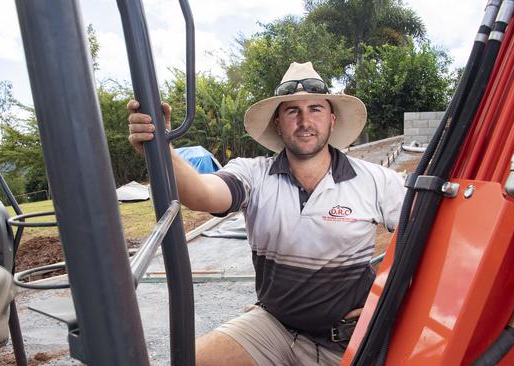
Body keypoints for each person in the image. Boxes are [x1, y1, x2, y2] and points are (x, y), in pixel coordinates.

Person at [128, 62, 405, 366]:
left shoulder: (376, 180)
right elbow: (202, 194)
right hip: (273, 327)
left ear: (331, 119)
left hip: (346, 341)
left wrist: (388, 300)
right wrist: (161, 149)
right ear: (277, 122)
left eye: (315, 109)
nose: (304, 121)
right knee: (190, 360)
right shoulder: (253, 174)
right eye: (292, 111)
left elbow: (431, 240)